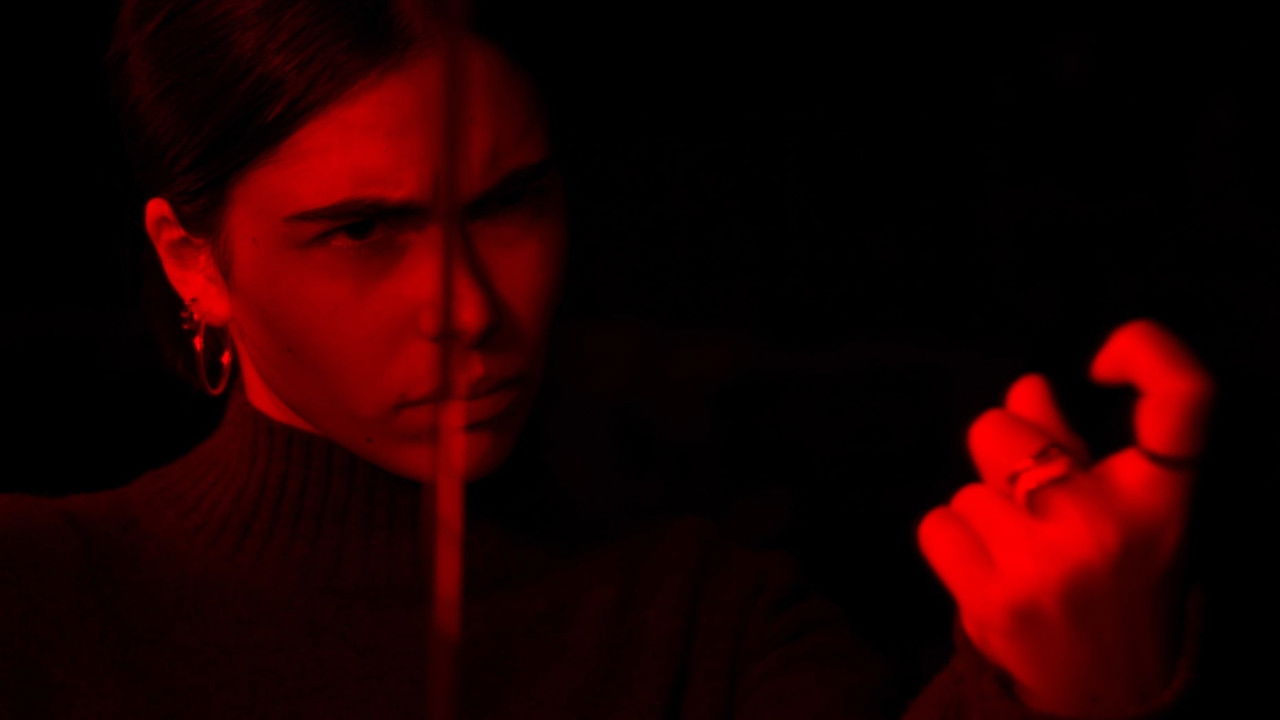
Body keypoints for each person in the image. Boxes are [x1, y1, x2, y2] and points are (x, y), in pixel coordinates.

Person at [0, 1, 1209, 717]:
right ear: (193, 261)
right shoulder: (36, 599)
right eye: (363, 231)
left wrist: (1065, 689)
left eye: (508, 203)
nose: (467, 308)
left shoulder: (706, 629)